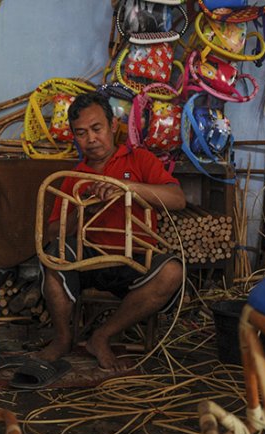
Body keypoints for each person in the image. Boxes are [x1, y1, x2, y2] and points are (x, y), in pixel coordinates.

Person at [39, 91, 186, 371]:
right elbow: (52, 233)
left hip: (135, 257)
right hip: (89, 257)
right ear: (74, 136)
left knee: (172, 272)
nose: (91, 139)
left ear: (113, 126)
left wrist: (127, 188)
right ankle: (62, 338)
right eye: (81, 133)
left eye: (97, 129)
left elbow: (177, 199)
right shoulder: (74, 177)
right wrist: (84, 210)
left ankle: (101, 336)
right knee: (52, 256)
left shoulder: (139, 159)